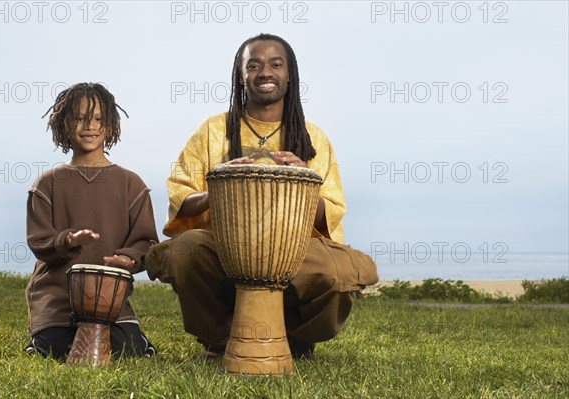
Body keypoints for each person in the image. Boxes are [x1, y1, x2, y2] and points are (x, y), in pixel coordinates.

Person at [145, 33, 378, 359]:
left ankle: (296, 339)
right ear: (241, 75)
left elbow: (333, 211)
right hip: (224, 245)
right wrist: (221, 182)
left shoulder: (312, 138)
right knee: (185, 250)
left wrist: (303, 181)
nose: (264, 72)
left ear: (289, 74)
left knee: (339, 271)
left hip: (295, 249)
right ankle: (220, 339)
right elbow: (181, 197)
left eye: (275, 64)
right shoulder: (214, 130)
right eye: (253, 65)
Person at [24, 82, 158, 359]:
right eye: (80, 118)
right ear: (64, 124)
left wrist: (129, 258)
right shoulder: (47, 184)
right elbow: (39, 242)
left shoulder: (132, 184)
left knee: (124, 349)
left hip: (111, 304)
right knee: (59, 348)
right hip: (57, 302)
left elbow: (146, 242)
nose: (90, 126)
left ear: (110, 125)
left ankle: (138, 340)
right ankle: (38, 341)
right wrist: (67, 241)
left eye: (98, 118)